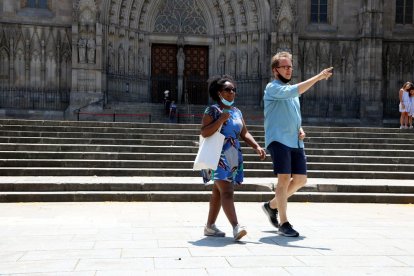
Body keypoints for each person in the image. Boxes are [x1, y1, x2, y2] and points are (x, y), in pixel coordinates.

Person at [261, 51, 333, 237]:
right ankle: (284, 223)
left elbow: (293, 114)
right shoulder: (272, 87)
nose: (288, 69)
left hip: (295, 140)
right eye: (285, 67)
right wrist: (318, 77)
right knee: (284, 178)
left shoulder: (292, 91)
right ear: (275, 70)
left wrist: (299, 127)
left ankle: (271, 206)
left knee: (301, 180)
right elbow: (293, 91)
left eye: (290, 66)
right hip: (278, 139)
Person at [201, 75, 266, 241]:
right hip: (218, 154)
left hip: (232, 154)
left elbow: (244, 133)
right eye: (227, 90)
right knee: (227, 191)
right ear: (219, 92)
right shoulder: (212, 110)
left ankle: (210, 226)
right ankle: (236, 227)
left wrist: (256, 146)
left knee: (218, 191)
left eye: (234, 90)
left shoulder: (237, 112)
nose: (232, 93)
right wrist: (220, 120)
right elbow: (204, 132)